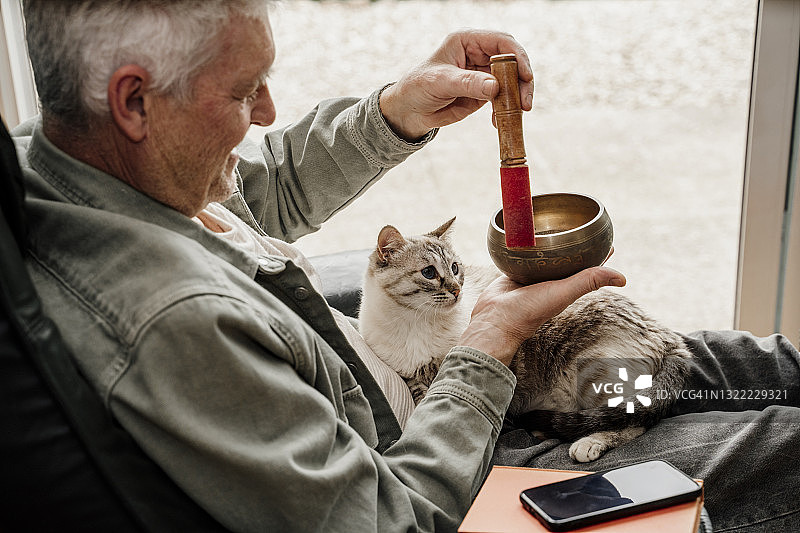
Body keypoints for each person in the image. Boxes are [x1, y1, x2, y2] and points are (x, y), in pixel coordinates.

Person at [11, 1, 800, 532]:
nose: (267, 114)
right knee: (780, 440)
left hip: (438, 395)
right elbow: (395, 518)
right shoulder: (172, 326)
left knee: (743, 363)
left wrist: (395, 110)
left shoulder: (84, 167)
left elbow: (258, 188)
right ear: (135, 102)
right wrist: (484, 347)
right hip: (449, 457)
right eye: (246, 90)